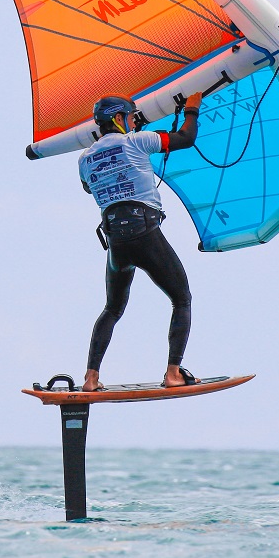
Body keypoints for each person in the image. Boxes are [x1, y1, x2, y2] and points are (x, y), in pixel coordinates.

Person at [78, 91, 203, 392]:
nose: (135, 121)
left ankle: (91, 378)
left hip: (116, 242)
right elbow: (185, 139)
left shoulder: (83, 159)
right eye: (132, 117)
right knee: (181, 298)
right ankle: (173, 372)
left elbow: (87, 187)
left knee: (112, 308)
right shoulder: (138, 141)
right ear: (119, 119)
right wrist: (192, 110)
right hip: (145, 233)